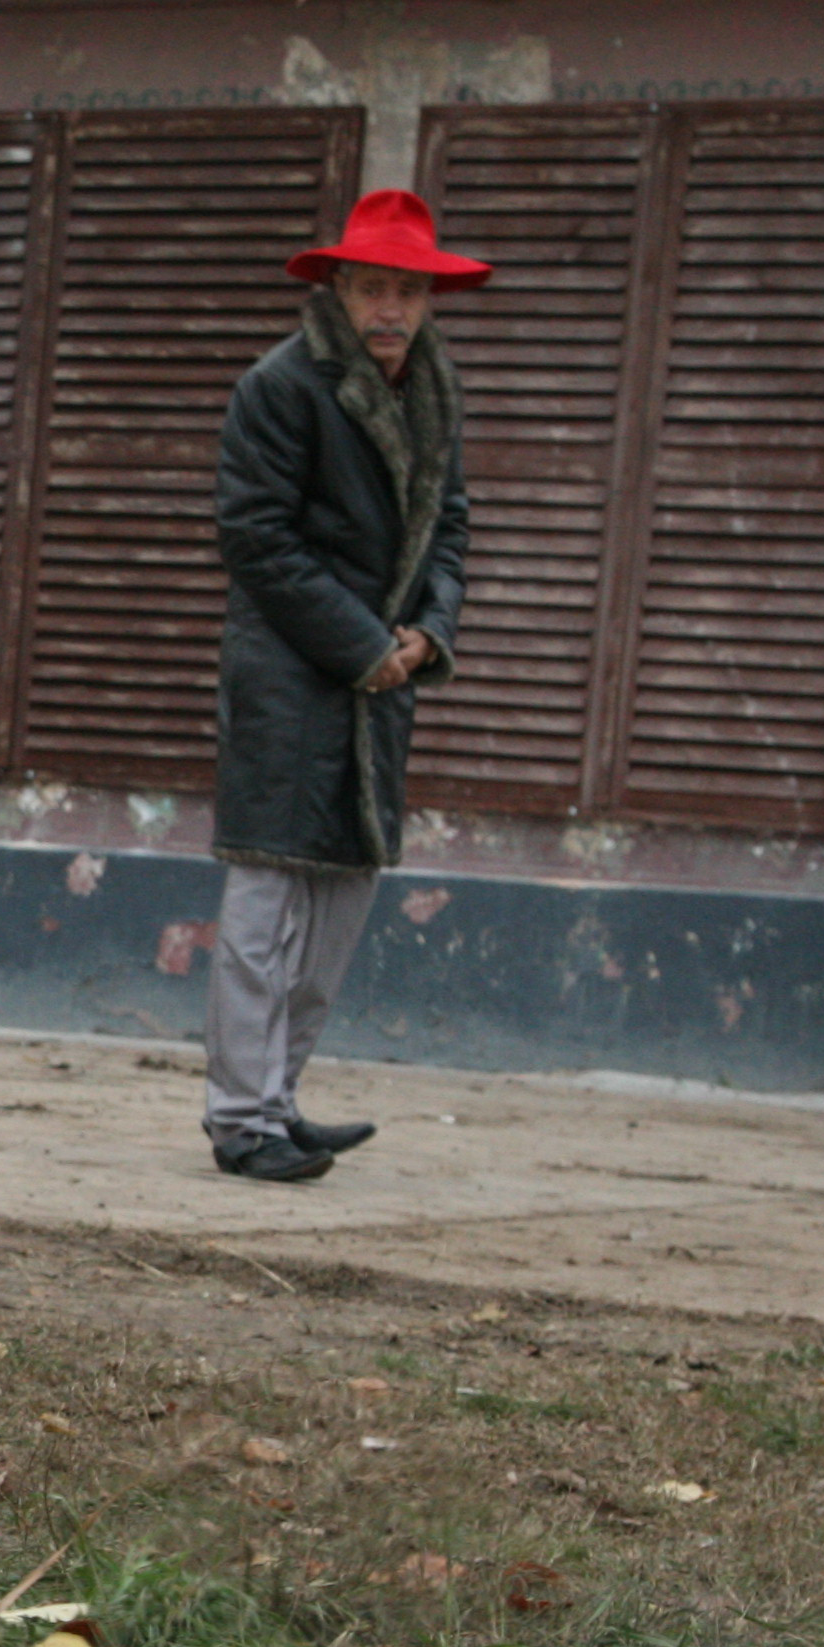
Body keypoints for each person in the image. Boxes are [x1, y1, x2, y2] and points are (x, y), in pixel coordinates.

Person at [205, 189, 485, 1186]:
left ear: (429, 298)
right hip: (291, 671)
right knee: (266, 899)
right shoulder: (280, 385)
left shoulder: (433, 389)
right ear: (338, 289)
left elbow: (450, 525)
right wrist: (367, 644)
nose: (390, 308)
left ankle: (278, 1098)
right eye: (372, 287)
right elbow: (256, 538)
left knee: (341, 902)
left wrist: (429, 632)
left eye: (408, 289)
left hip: (381, 679)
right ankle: (239, 1118)